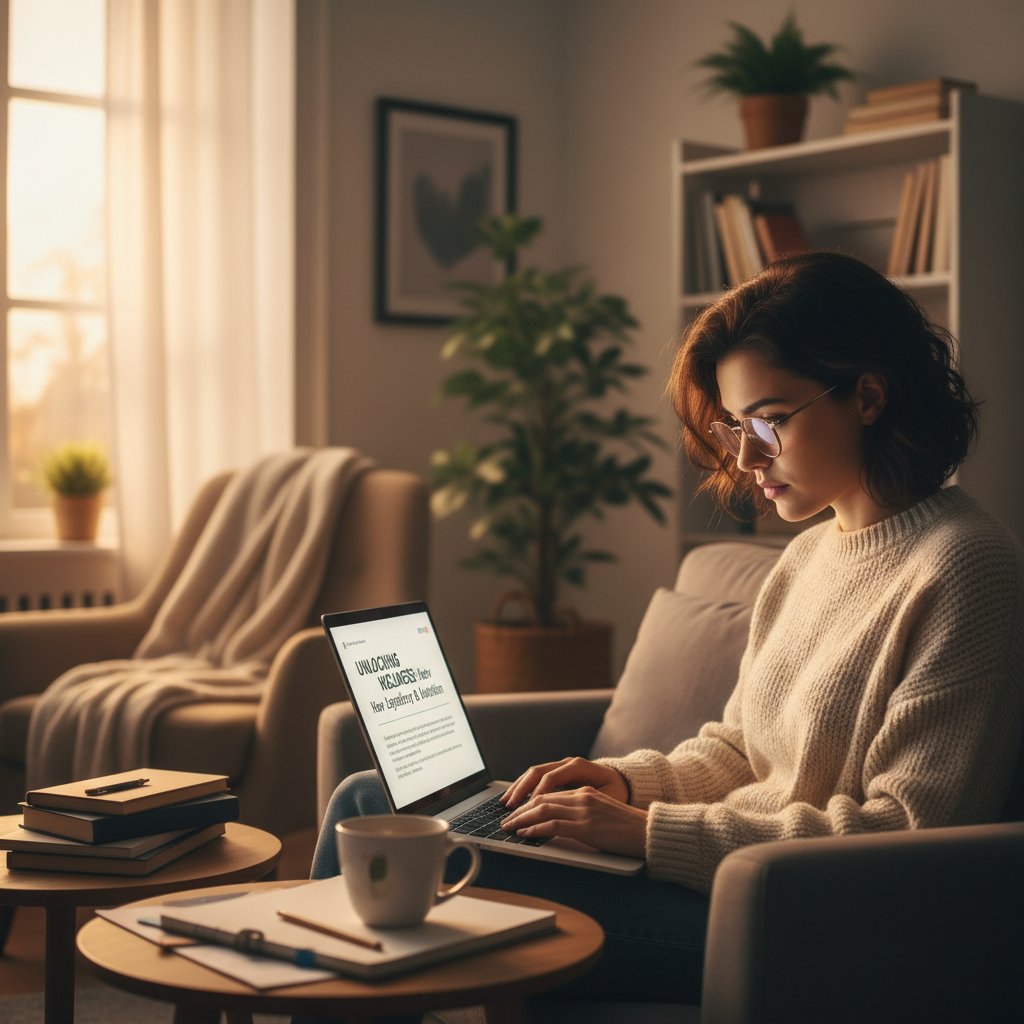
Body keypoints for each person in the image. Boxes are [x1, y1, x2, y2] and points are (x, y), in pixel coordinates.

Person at [310, 251, 1024, 1007]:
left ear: (869, 396)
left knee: (397, 832)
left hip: (807, 922)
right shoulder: (809, 555)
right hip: (712, 882)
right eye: (736, 425)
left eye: (770, 422)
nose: (746, 457)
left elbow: (905, 832)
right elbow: (739, 751)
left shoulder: (965, 568)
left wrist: (645, 834)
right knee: (368, 795)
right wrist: (623, 783)